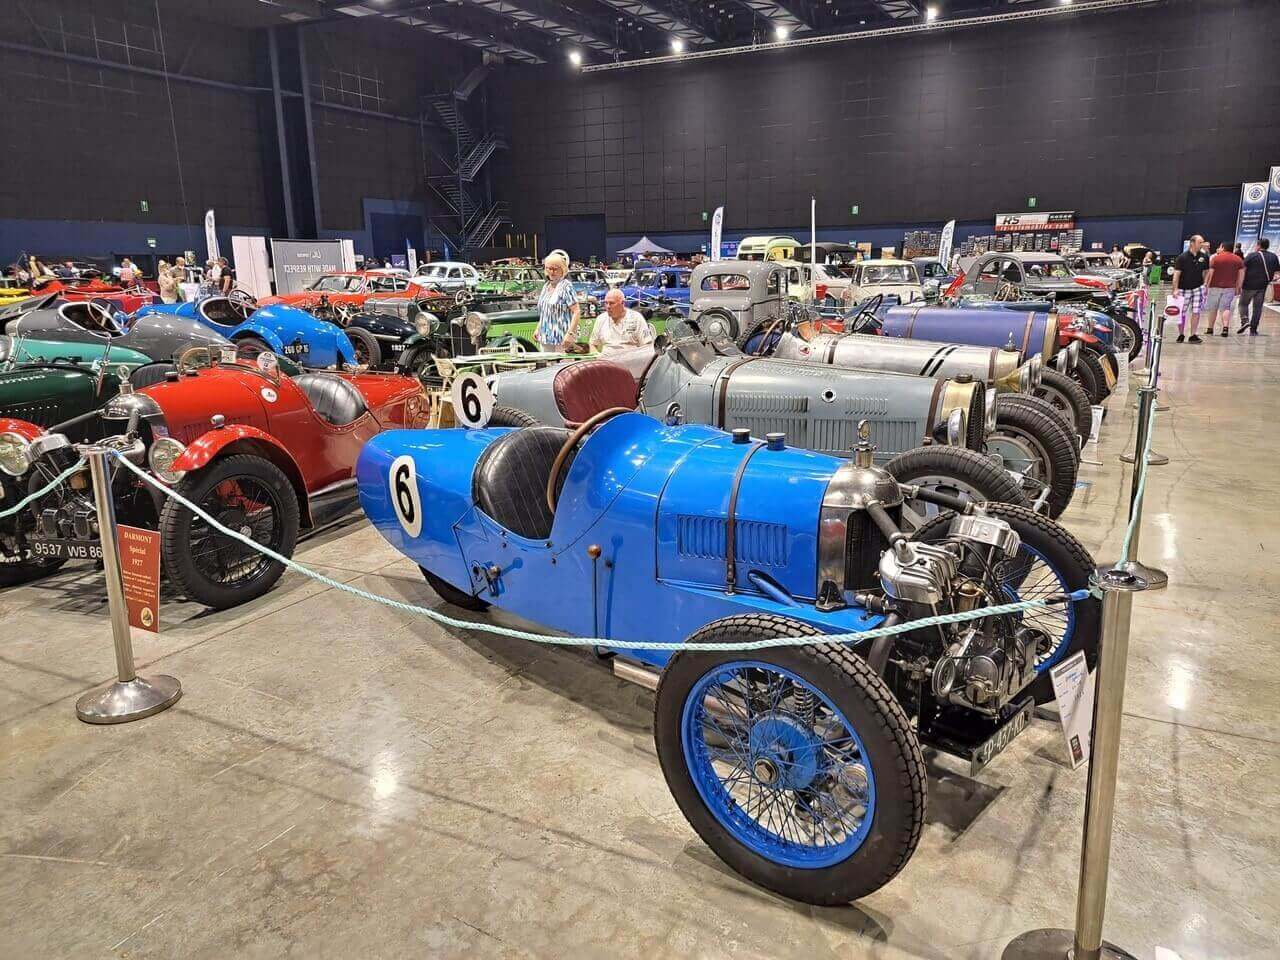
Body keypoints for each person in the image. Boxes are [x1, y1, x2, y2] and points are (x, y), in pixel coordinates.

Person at [534, 250, 580, 351]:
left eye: (555, 268)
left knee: (564, 367)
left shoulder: (566, 286)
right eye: (549, 268)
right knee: (547, 366)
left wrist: (570, 334)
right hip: (545, 338)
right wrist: (538, 329)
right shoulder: (546, 287)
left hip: (563, 339)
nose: (552, 271)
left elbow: (576, 312)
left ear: (563, 269)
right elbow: (545, 312)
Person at [590, 288, 654, 355]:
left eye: (611, 303)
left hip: (630, 361)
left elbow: (647, 346)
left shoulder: (636, 318)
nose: (608, 306)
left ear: (622, 303)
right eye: (606, 303)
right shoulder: (601, 319)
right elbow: (592, 344)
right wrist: (598, 357)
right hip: (606, 362)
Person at [1238, 238, 1280, 336]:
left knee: (1243, 304)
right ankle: (1253, 329)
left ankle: (1245, 321)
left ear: (1258, 245)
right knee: (1257, 308)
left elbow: (1243, 270)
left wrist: (1239, 284)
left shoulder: (1251, 255)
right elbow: (1277, 273)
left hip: (1248, 285)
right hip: (1262, 286)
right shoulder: (1273, 256)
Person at [1202, 241, 1243, 337]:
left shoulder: (1216, 258)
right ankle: (1225, 328)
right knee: (1226, 308)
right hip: (1230, 287)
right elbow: (1241, 275)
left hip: (1214, 287)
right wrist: (1238, 287)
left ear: (1223, 248)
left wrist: (1206, 285)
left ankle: (1210, 329)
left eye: (1220, 247)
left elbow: (1210, 273)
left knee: (1213, 308)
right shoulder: (1238, 259)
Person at [1171, 235, 1207, 343]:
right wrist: (1175, 289)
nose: (1202, 244)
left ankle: (1193, 335)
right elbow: (1176, 274)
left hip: (1197, 288)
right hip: (1183, 289)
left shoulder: (1204, 257)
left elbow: (1206, 271)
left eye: (1202, 242)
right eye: (1200, 242)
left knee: (1196, 311)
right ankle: (1181, 334)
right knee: (1182, 312)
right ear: (1192, 243)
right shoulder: (1182, 257)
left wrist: (1205, 284)